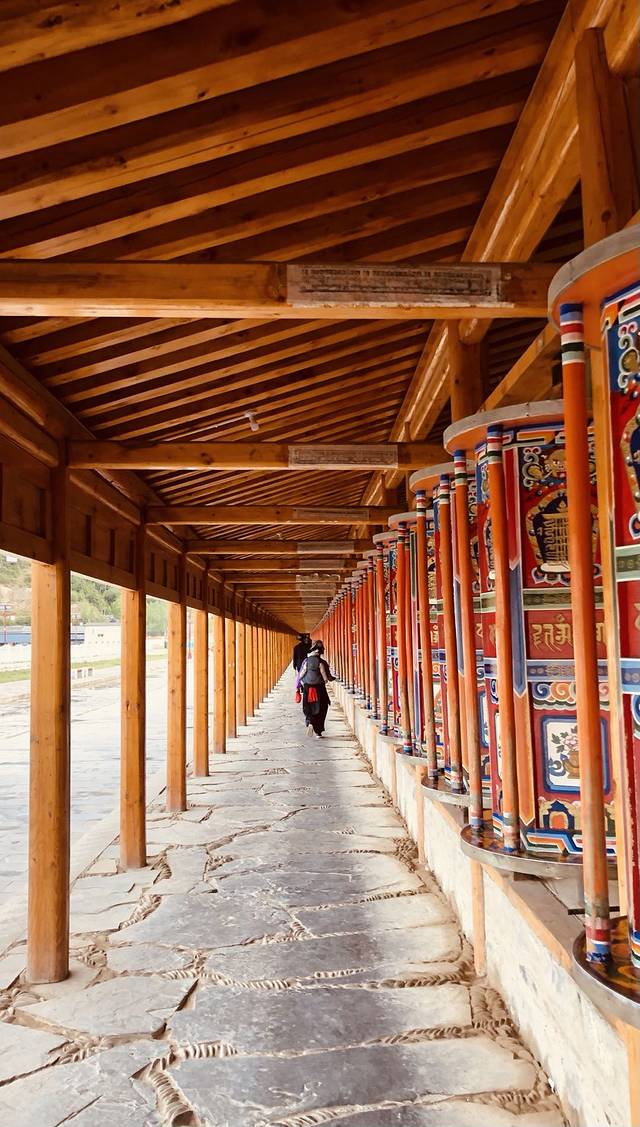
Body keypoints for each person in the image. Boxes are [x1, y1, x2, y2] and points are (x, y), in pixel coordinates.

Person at [299, 640, 335, 738]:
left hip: (307, 688)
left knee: (308, 706)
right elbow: (326, 676)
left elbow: (301, 674)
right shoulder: (322, 662)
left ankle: (310, 721)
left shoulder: (306, 661)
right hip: (319, 688)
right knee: (322, 707)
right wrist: (330, 679)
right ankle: (318, 731)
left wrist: (299, 684)